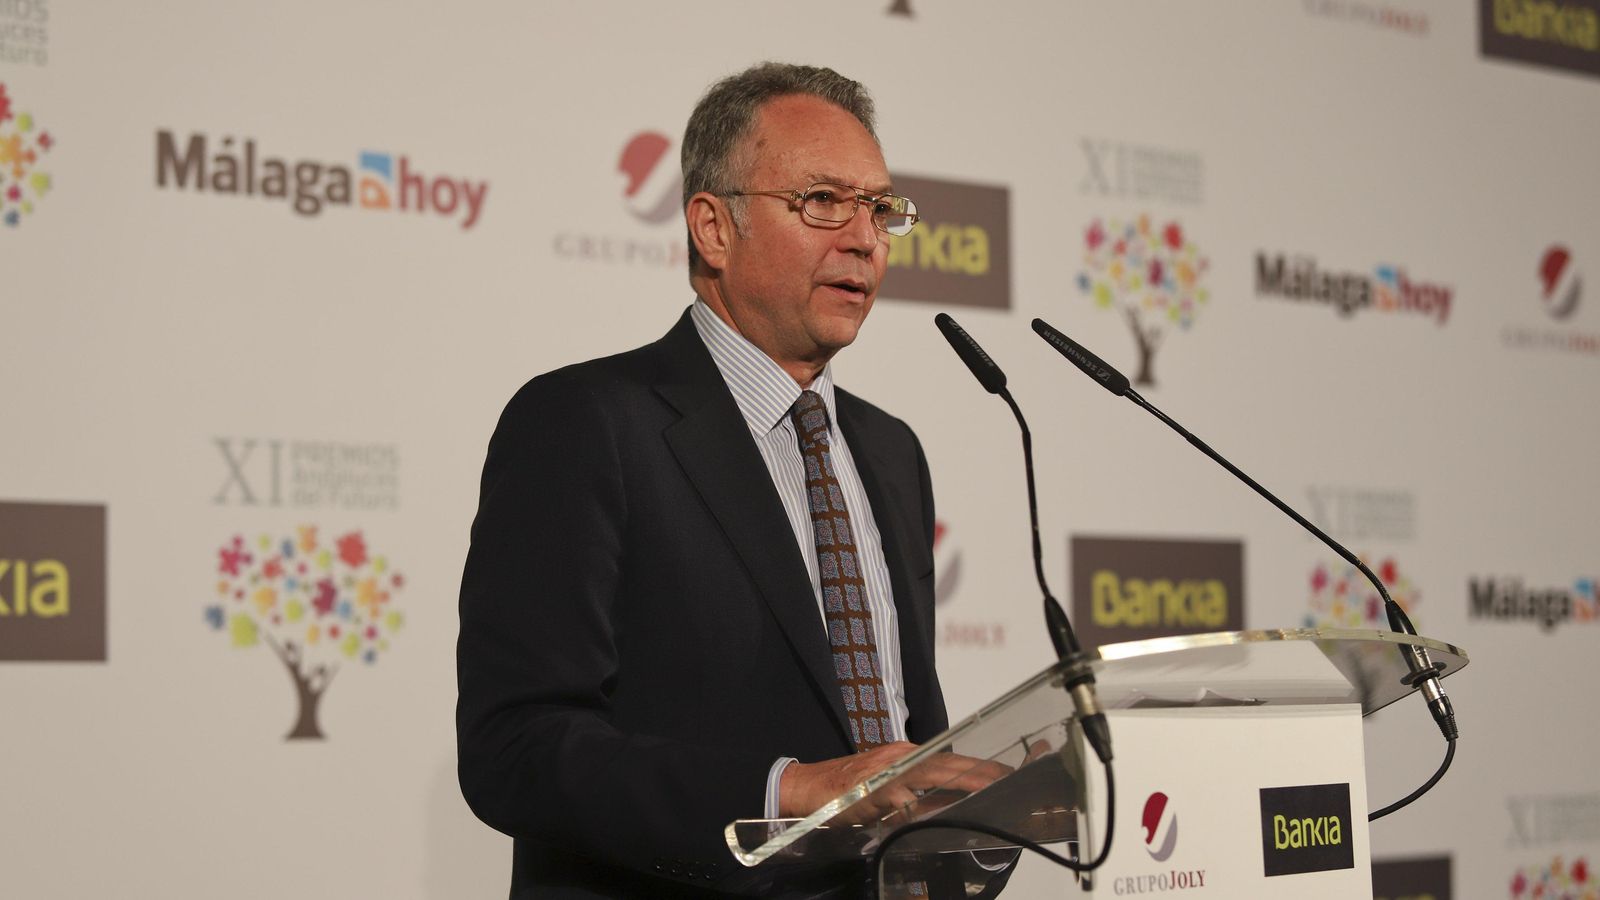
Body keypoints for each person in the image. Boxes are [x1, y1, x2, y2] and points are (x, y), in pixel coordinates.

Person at [458, 62, 1003, 899]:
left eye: (880, 209)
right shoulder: (585, 422)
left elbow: (904, 733)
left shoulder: (892, 452)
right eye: (823, 201)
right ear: (713, 228)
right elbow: (516, 749)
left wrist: (976, 811)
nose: (865, 239)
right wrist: (791, 793)